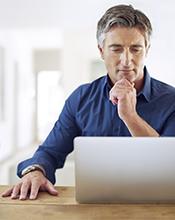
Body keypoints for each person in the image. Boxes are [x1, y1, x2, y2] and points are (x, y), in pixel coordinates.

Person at [2, 4, 175, 200]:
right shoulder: (80, 99)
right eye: (116, 49)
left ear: (147, 50)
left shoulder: (171, 101)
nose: (126, 60)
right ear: (101, 51)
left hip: (160, 206)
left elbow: (170, 166)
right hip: (94, 206)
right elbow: (50, 152)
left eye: (135, 49)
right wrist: (36, 171)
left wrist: (130, 116)